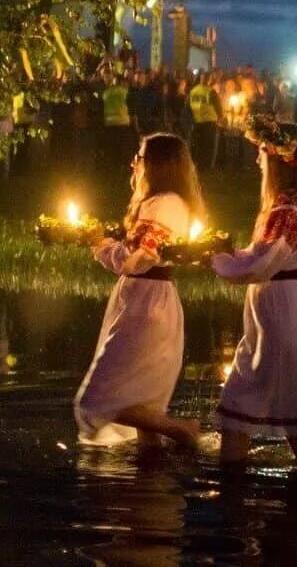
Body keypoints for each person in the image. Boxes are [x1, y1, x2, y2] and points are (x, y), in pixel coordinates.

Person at [211, 117, 297, 465]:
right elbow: (261, 256)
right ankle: (236, 500)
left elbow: (266, 261)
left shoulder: (290, 207)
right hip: (274, 312)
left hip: (283, 312)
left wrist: (217, 261)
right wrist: (222, 254)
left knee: (290, 423)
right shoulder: (289, 202)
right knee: (243, 412)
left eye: (262, 154)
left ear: (276, 158)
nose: (257, 161)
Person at [75, 133, 204, 449]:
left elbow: (138, 259)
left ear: (159, 165)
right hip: (146, 300)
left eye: (141, 156)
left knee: (96, 400)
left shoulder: (164, 204)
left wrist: (100, 244)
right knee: (144, 407)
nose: (134, 162)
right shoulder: (162, 203)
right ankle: (150, 487)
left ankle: (180, 429)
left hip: (146, 305)